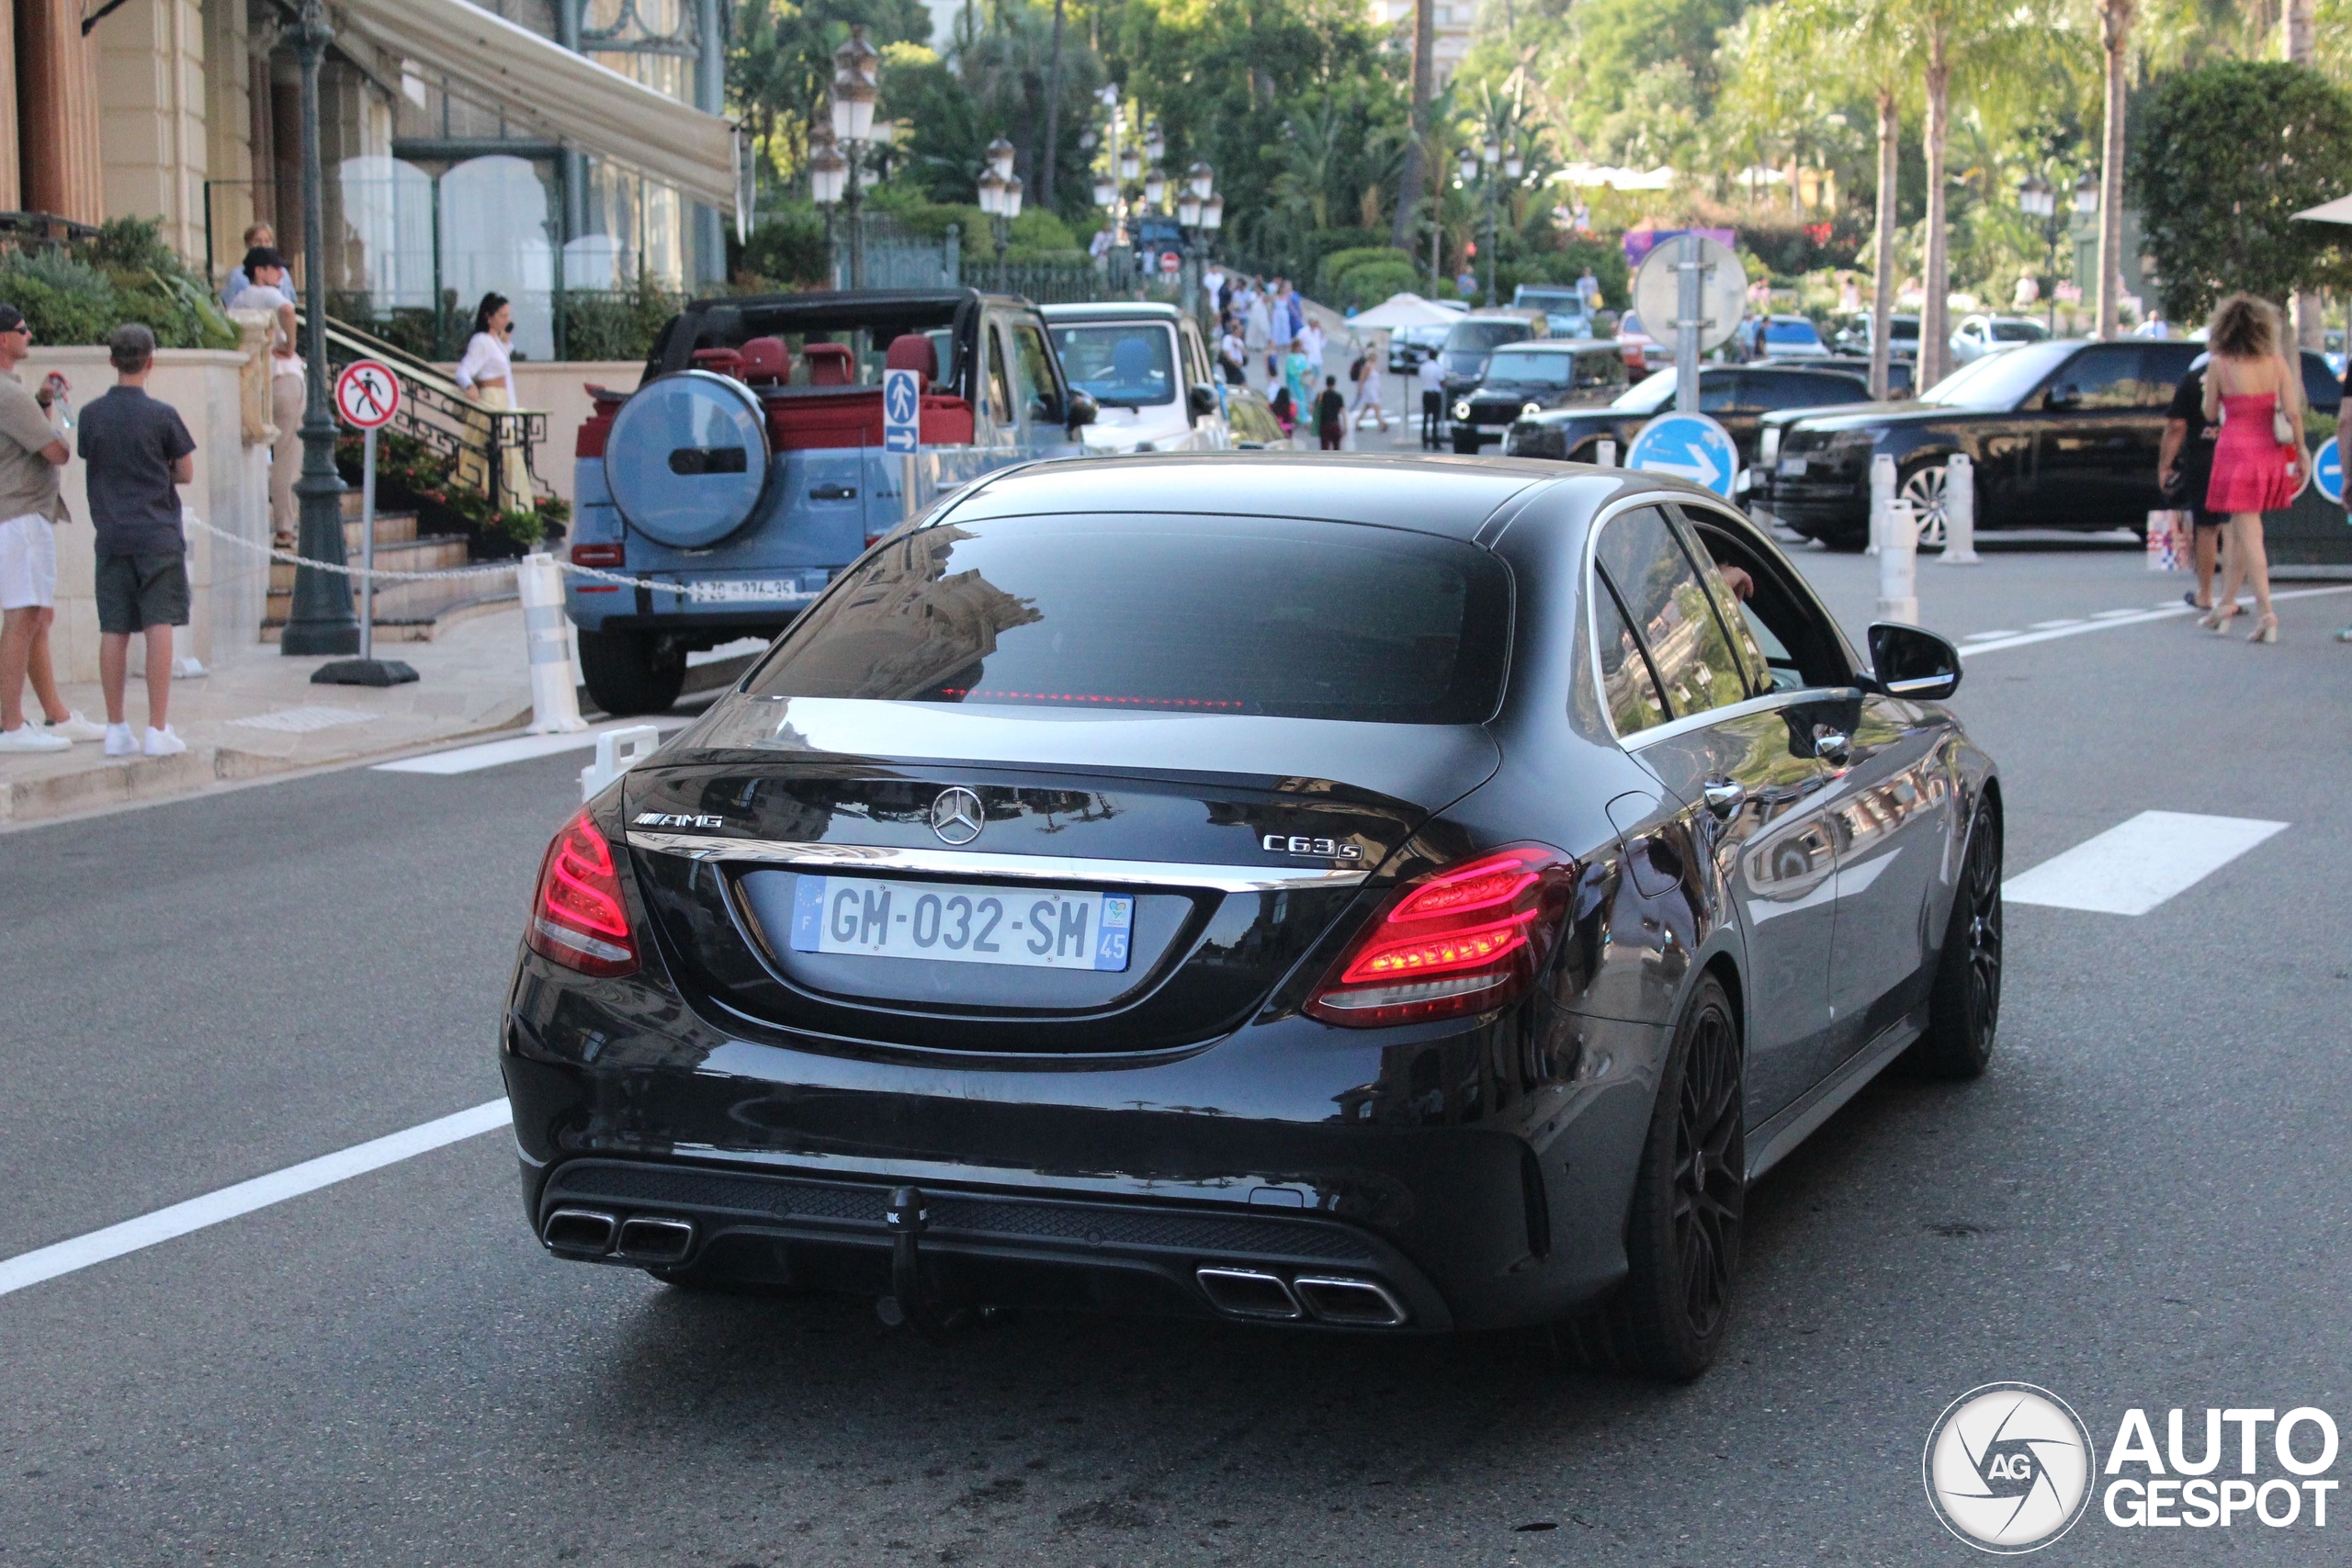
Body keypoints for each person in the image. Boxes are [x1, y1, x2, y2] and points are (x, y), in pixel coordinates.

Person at [76, 325, 197, 757]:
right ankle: (157, 728)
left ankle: (115, 727)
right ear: (150, 361)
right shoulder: (162, 415)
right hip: (157, 532)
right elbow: (185, 472)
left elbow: (94, 457)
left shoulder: (91, 415)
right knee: (158, 624)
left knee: (113, 628)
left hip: (110, 534)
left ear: (112, 361)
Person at [0, 303, 96, 752]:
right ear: (4, 339)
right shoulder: (7, 393)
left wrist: (41, 401)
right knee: (23, 617)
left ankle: (55, 714)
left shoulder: (15, 393)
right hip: (20, 516)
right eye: (23, 330)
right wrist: (54, 414)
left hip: (21, 515)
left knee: (37, 616)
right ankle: (11, 724)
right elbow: (56, 451)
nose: (30, 335)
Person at [2198, 294, 2304, 644]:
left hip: (2235, 452)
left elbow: (2210, 413)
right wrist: (2301, 451)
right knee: (2241, 532)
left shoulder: (2219, 365)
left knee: (2249, 533)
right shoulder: (2276, 363)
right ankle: (2226, 605)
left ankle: (2266, 614)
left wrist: (2208, 392)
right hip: (2269, 452)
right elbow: (2293, 412)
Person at [227, 246, 303, 548]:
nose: (281, 273)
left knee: (256, 453)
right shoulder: (264, 294)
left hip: (255, 383)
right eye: (274, 268)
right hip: (283, 378)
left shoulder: (238, 300)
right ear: (259, 272)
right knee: (287, 454)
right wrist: (290, 345)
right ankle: (285, 527)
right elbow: (287, 310)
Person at [455, 292, 534, 514]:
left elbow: (497, 364)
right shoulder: (481, 341)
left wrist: (505, 343)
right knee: (494, 453)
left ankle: (507, 506)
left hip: (500, 401)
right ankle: (501, 505)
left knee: (502, 454)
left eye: (508, 315)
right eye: (502, 315)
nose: (506, 320)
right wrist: (469, 385)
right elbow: (464, 370)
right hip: (490, 402)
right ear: (489, 317)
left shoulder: (493, 341)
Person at [2158, 352, 2224, 611]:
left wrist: (2165, 466)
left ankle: (2205, 593)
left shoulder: (2196, 378)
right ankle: (2229, 596)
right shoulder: (2256, 370)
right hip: (2244, 455)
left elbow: (2176, 426)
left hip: (2205, 457)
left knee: (2207, 527)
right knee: (2237, 529)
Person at [218, 222, 275, 310]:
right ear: (248, 245)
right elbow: (228, 306)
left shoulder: (282, 273)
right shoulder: (236, 275)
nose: (263, 246)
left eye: (267, 241)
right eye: (258, 241)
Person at [1348, 344, 1388, 437]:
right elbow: (1362, 378)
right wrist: (1360, 390)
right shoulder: (1367, 366)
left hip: (1373, 388)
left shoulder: (1374, 365)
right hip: (1369, 389)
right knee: (1376, 406)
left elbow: (1376, 378)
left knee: (1367, 407)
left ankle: (1357, 422)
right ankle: (1381, 423)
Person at [1417, 348, 1445, 449]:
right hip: (1435, 393)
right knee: (1435, 419)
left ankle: (1424, 441)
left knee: (1425, 418)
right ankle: (1435, 442)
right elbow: (1442, 382)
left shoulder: (1423, 367)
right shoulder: (1438, 368)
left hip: (1426, 393)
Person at [1315, 375, 1347, 451]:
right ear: (1334, 384)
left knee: (1324, 448)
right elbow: (1343, 412)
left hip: (1324, 425)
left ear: (1326, 384)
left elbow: (1316, 410)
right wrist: (1345, 426)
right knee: (1337, 447)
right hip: (1335, 424)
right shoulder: (1338, 396)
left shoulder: (1321, 395)